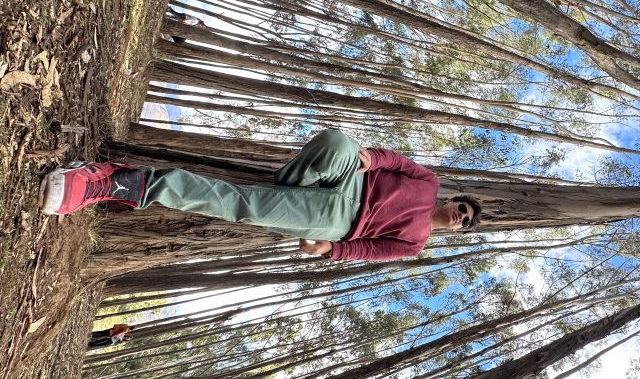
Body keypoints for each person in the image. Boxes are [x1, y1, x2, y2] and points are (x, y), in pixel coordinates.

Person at [41, 129, 482, 262]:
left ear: (458, 229)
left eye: (464, 221)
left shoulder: (415, 244)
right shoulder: (429, 182)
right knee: (337, 142)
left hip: (338, 218)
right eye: (462, 208)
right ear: (453, 199)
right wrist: (373, 157)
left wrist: (333, 248)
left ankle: (121, 182)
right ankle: (291, 184)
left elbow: (372, 249)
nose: (459, 216)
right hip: (354, 177)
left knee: (246, 206)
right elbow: (398, 163)